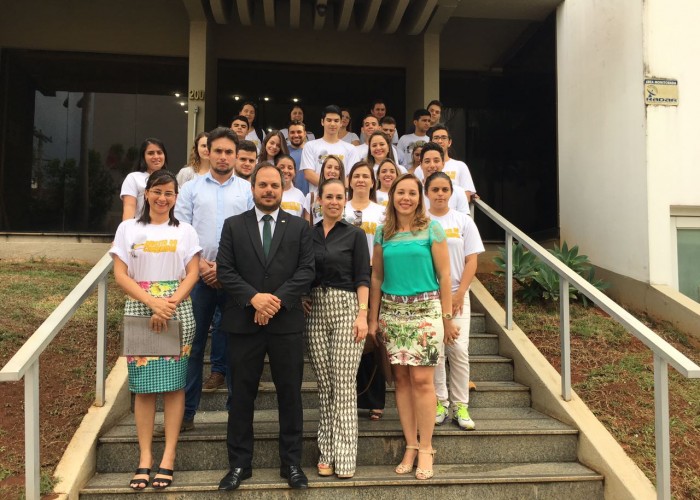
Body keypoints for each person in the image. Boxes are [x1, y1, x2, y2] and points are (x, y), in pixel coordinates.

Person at [216, 163, 315, 491]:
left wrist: (273, 301)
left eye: (275, 185)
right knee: (241, 396)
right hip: (243, 323)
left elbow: (306, 271)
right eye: (263, 185)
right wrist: (254, 299)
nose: (269, 190)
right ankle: (239, 465)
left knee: (290, 395)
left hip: (285, 324)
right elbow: (226, 271)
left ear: (284, 186)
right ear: (253, 188)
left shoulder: (299, 228)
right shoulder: (233, 226)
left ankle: (292, 464)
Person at [110, 169, 201, 490]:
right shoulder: (128, 228)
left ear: (176, 198)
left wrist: (169, 302)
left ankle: (169, 457)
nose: (163, 198)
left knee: (175, 386)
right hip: (140, 306)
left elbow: (192, 273)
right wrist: (152, 302)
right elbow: (120, 274)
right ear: (147, 193)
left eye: (169, 193)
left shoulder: (186, 231)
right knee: (144, 387)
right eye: (157, 191)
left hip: (178, 308)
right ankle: (145, 457)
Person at [368, 173, 458, 480]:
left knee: (422, 381)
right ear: (391, 196)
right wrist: (373, 316)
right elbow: (376, 277)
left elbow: (445, 276)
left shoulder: (431, 228)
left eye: (411, 193)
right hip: (392, 312)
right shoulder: (383, 232)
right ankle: (410, 444)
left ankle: (426, 448)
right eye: (400, 192)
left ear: (419, 198)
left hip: (426, 310)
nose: (406, 198)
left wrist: (447, 318)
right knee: (402, 381)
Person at [174, 127, 254, 432]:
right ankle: (186, 414)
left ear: (236, 156)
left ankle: (236, 414)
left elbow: (250, 234)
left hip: (234, 280)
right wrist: (202, 265)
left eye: (228, 152)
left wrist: (225, 268)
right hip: (197, 277)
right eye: (217, 150)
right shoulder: (192, 188)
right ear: (208, 152)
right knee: (192, 347)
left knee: (236, 347)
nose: (223, 156)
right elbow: (182, 230)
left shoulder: (246, 191)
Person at [304, 178, 370, 479]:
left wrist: (363, 315)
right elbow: (301, 271)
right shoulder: (309, 235)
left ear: (345, 200)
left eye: (338, 197)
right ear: (319, 200)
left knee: (343, 386)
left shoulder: (354, 234)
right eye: (328, 196)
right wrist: (303, 295)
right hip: (316, 310)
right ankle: (325, 450)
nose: (332, 201)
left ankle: (344, 455)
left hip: (347, 309)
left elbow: (363, 277)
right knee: (325, 385)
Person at [424, 172, 484, 431]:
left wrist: (460, 294)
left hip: (459, 295)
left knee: (458, 349)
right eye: (435, 189)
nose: (439, 194)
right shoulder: (421, 221)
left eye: (444, 190)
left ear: (451, 192)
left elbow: (472, 260)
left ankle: (461, 405)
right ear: (427, 193)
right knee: (435, 353)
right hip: (428, 295)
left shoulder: (463, 221)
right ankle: (440, 402)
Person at [344, 161, 386, 421]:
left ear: (373, 182)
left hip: (374, 274)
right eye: (356, 176)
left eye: (366, 176)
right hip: (344, 275)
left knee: (372, 337)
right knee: (348, 338)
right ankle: (349, 397)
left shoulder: (381, 212)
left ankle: (374, 399)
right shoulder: (341, 206)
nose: (361, 180)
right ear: (349, 181)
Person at [300, 105, 354, 192]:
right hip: (318, 200)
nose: (332, 124)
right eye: (329, 120)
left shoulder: (351, 149)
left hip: (342, 199)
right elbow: (309, 174)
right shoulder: (310, 146)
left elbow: (352, 177)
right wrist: (331, 189)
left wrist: (335, 191)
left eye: (336, 121)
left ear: (341, 123)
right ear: (322, 122)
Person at [417, 125, 476, 199]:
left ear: (449, 142)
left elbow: (466, 197)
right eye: (436, 138)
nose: (440, 141)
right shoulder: (420, 168)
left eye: (444, 138)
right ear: (430, 141)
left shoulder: (461, 166)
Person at [121, 138, 167, 220]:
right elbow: (129, 207)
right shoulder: (133, 178)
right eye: (151, 153)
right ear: (143, 157)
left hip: (168, 229)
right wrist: (127, 230)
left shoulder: (171, 180)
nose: (156, 156)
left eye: (159, 152)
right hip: (141, 228)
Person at [419, 142, 471, 215]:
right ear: (421, 165)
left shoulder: (458, 191)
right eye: (427, 161)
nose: (432, 165)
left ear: (443, 163)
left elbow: (466, 221)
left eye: (436, 161)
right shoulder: (416, 192)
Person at [303, 155, 345, 226]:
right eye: (329, 167)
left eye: (337, 168)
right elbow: (308, 228)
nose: (332, 171)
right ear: (323, 170)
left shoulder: (347, 197)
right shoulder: (311, 197)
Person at [287, 120, 310, 195]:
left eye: (299, 132)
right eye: (292, 132)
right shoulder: (283, 152)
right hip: (288, 197)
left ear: (305, 133)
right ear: (288, 135)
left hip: (309, 197)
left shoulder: (311, 151)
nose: (296, 135)